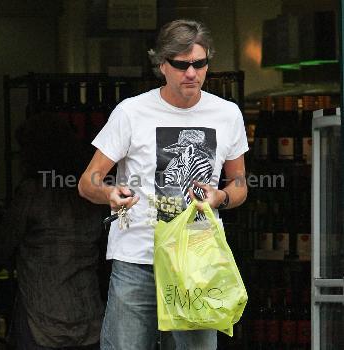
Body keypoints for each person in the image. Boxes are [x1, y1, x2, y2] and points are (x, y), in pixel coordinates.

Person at [78, 19, 249, 350]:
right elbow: (88, 181)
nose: (191, 73)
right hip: (137, 259)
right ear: (161, 65)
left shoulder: (227, 114)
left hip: (196, 261)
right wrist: (108, 192)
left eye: (199, 64)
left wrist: (222, 196)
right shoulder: (131, 112)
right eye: (181, 65)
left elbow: (239, 183)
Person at [0, 112, 107, 350]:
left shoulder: (30, 193)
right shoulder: (90, 192)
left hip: (40, 319)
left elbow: (4, 247)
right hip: (89, 317)